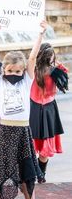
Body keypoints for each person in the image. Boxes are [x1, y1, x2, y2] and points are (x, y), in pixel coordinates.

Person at [0, 20, 47, 199]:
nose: (14, 74)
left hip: (23, 132)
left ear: (23, 71)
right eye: (10, 71)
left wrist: (40, 34)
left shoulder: (26, 81)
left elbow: (33, 58)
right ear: (4, 69)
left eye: (18, 71)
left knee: (26, 174)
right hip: (5, 132)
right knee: (0, 174)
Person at [30, 43, 68, 183]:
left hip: (33, 108)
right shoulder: (55, 71)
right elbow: (65, 75)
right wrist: (58, 64)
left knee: (32, 144)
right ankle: (42, 175)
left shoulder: (33, 70)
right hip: (49, 110)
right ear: (50, 57)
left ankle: (33, 174)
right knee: (46, 144)